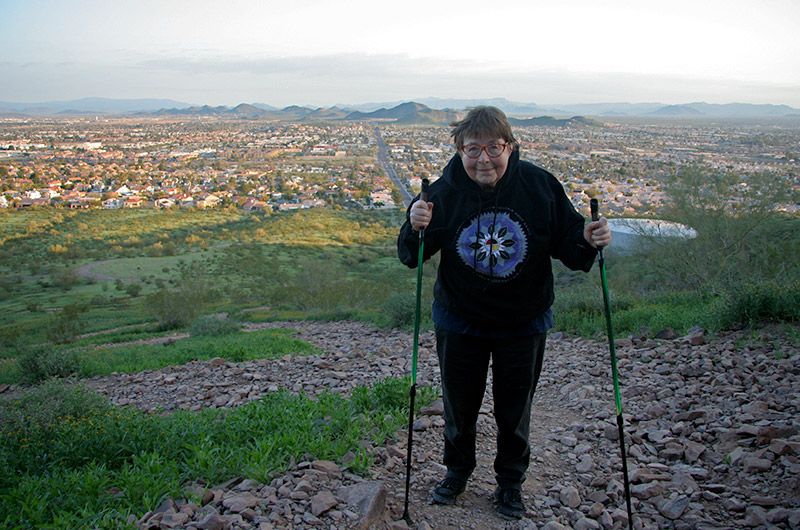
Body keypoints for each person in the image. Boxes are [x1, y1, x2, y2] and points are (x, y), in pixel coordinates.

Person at [397, 106, 611, 521]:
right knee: (459, 406)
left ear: (510, 147)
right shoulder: (440, 193)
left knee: (515, 408)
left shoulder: (539, 185)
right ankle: (457, 473)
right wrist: (413, 224)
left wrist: (589, 237)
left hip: (523, 321)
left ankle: (510, 483)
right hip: (460, 320)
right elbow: (412, 255)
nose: (483, 159)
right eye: (472, 149)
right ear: (459, 150)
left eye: (493, 147)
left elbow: (571, 246)